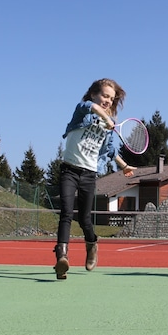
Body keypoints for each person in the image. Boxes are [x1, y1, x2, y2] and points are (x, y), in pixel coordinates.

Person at [54, 78, 136, 280]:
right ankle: (61, 258)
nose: (108, 100)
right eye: (104, 96)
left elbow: (108, 151)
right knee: (65, 212)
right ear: (94, 94)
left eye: (111, 98)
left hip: (89, 175)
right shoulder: (82, 111)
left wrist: (124, 166)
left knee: (84, 219)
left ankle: (91, 245)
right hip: (69, 170)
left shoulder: (109, 127)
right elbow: (87, 107)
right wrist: (105, 117)